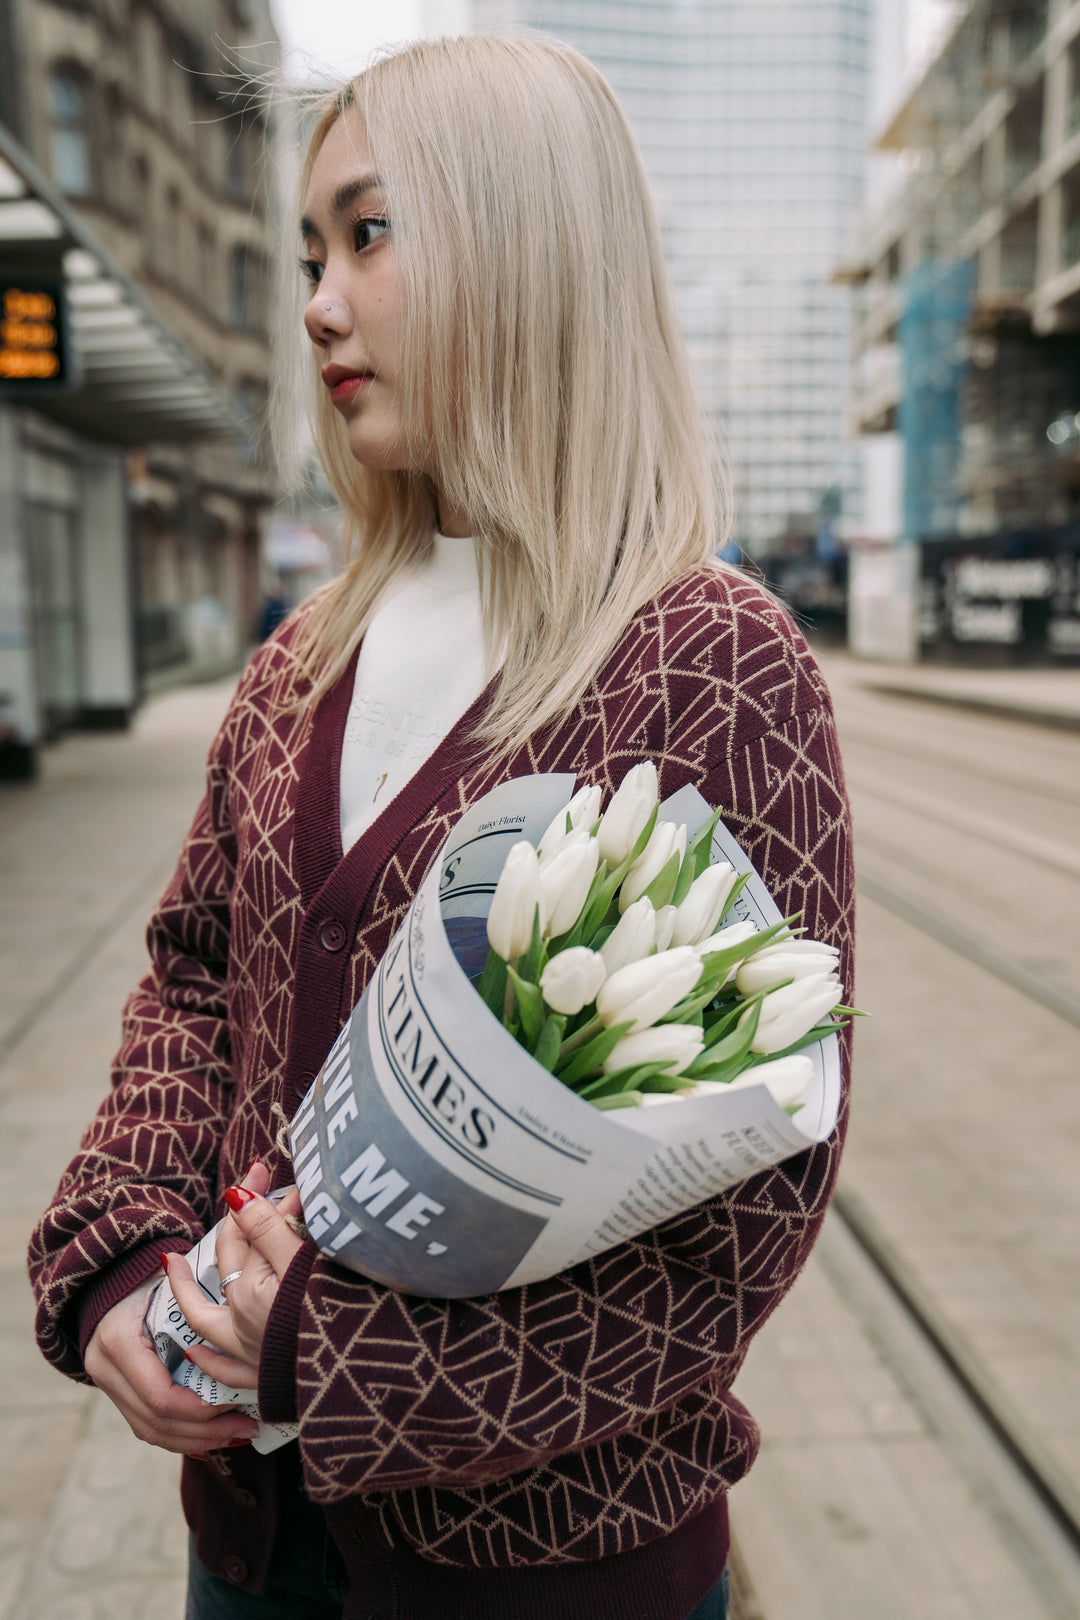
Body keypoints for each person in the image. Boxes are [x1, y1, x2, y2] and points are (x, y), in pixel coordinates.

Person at [28, 35, 854, 1620]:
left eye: (372, 232)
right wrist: (125, 1258)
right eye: (308, 254)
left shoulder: (714, 664)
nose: (320, 302)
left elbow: (748, 1206)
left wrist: (338, 1364)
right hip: (255, 1551)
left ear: (526, 241)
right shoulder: (298, 657)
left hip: (555, 1578)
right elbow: (195, 978)